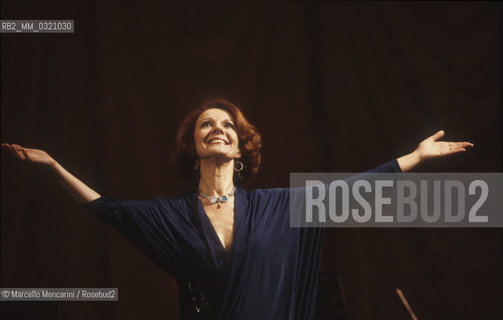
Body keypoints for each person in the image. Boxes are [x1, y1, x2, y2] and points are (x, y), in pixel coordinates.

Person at [2, 99, 473, 319]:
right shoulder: (171, 216)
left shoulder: (279, 206)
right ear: (193, 147)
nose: (218, 128)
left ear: (241, 148)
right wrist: (53, 165)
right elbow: (110, 211)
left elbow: (354, 190)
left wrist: (413, 158)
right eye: (207, 124)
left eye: (228, 124)